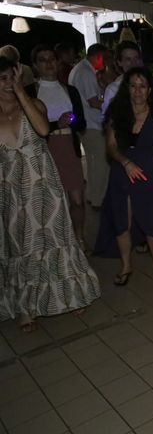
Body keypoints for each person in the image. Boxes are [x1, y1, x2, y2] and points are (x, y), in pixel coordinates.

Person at [0, 56, 100, 332]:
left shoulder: (34, 106)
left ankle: (71, 295)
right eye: (3, 79)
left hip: (44, 187)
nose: (9, 83)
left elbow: (44, 129)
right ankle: (26, 308)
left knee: (55, 240)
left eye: (13, 77)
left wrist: (21, 92)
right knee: (22, 246)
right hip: (12, 193)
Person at [95, 67, 153, 284]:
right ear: (127, 88)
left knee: (152, 218)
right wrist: (126, 162)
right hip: (122, 170)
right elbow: (111, 146)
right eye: (133, 86)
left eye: (142, 86)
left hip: (148, 172)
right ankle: (125, 265)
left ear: (149, 89)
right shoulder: (116, 112)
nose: (137, 91)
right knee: (123, 219)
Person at [31, 44, 88, 250]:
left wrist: (71, 121)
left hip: (68, 147)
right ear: (35, 66)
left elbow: (82, 123)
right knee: (50, 203)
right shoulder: (31, 91)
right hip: (44, 150)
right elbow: (30, 125)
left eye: (52, 59)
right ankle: (55, 244)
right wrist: (57, 124)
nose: (48, 64)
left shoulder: (70, 91)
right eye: (43, 60)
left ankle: (79, 239)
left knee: (78, 200)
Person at [68, 43, 110, 208]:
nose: (105, 63)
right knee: (101, 162)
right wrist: (110, 106)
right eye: (104, 58)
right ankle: (99, 199)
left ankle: (93, 196)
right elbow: (93, 101)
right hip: (92, 123)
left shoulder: (78, 69)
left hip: (85, 122)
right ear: (98, 56)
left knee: (94, 163)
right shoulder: (85, 73)